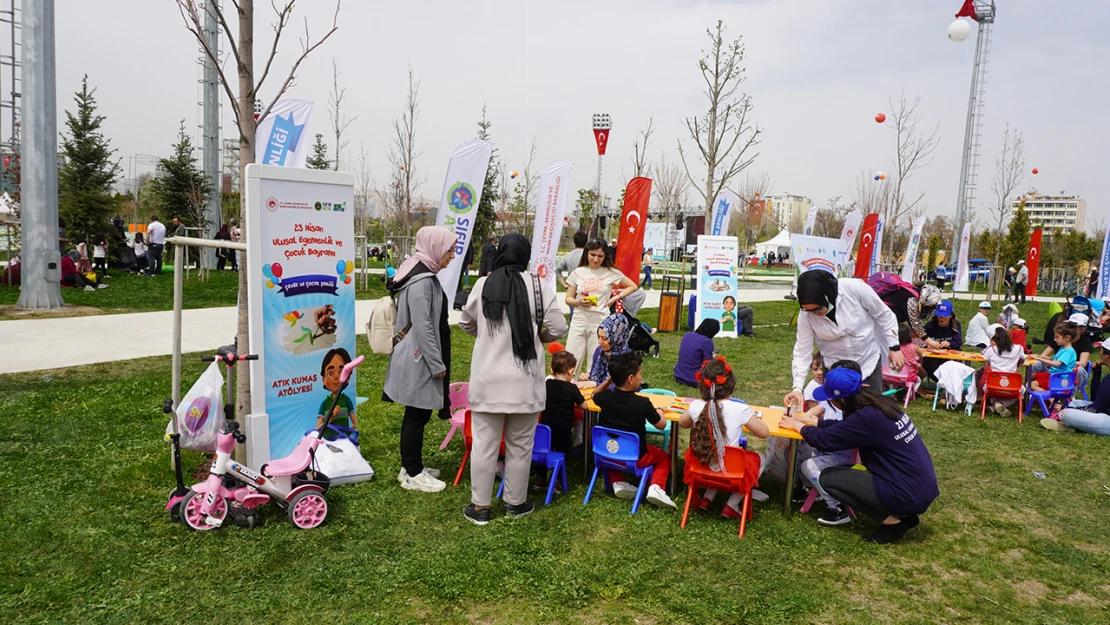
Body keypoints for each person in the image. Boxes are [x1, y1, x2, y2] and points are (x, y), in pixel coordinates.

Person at [458, 232, 568, 524]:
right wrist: (535, 338)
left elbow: (465, 322)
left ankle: (480, 508)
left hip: (487, 381)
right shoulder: (538, 285)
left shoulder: (483, 284)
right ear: (525, 256)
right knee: (520, 446)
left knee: (484, 445)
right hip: (525, 381)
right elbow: (558, 327)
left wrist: (485, 335)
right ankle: (515, 504)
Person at [780, 360, 939, 544]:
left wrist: (798, 426)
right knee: (846, 473)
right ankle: (904, 515)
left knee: (829, 478)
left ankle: (893, 522)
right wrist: (816, 423)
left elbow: (824, 440)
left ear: (841, 400)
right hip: (920, 487)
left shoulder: (865, 417)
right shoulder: (880, 405)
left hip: (907, 492)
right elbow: (846, 429)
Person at [383, 226, 458, 494]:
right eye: (449, 249)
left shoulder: (420, 272)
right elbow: (424, 326)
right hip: (419, 357)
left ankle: (411, 465)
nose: (452, 255)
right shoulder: (422, 280)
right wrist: (436, 363)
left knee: (418, 414)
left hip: (419, 355)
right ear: (435, 248)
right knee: (417, 414)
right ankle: (413, 472)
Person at [786, 270, 903, 410]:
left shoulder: (854, 288)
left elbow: (884, 315)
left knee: (872, 410)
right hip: (835, 369)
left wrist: (894, 347)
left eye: (817, 308)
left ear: (827, 295)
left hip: (867, 360)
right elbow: (802, 350)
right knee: (836, 412)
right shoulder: (806, 316)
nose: (814, 313)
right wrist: (797, 387)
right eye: (808, 310)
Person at [679, 357, 769, 518]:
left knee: (712, 454)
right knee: (761, 457)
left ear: (702, 387)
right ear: (730, 387)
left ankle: (707, 498)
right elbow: (763, 433)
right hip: (730, 471)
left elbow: (682, 422)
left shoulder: (696, 406)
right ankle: (732, 505)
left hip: (701, 469)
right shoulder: (741, 409)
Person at [591, 352, 677, 509]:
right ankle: (656, 487)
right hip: (636, 457)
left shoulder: (605, 398)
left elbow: (594, 394)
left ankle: (618, 480)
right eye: (640, 374)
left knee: (611, 447)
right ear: (631, 379)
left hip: (607, 453)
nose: (641, 378)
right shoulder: (642, 403)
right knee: (664, 457)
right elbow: (661, 425)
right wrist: (659, 411)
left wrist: (610, 379)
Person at [565, 239, 639, 377]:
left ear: (605, 256)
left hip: (600, 320)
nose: (595, 259)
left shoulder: (611, 272)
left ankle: (592, 390)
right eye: (592, 255)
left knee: (596, 361)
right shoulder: (578, 272)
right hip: (579, 318)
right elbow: (568, 299)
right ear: (587, 253)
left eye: (600, 256)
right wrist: (577, 301)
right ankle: (569, 389)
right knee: (571, 359)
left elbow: (633, 286)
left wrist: (615, 298)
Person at [1043, 343, 1110, 435]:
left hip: (1107, 420)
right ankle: (1075, 424)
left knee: (1066, 413)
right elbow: (1095, 399)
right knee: (1075, 403)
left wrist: (1066, 408)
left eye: (1101, 350)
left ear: (1107, 355)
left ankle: (1069, 424)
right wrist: (1097, 374)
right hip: (1105, 412)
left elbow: (1095, 408)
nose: (1100, 353)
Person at [545, 350, 587, 459]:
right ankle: (560, 474)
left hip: (546, 426)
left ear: (552, 370)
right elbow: (584, 406)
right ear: (571, 371)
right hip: (563, 428)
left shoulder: (547, 384)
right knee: (563, 452)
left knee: (546, 448)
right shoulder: (572, 388)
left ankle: (541, 474)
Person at [978, 326, 1025, 417]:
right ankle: (1001, 404)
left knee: (987, 388)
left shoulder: (991, 350)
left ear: (994, 339)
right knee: (1022, 391)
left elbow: (985, 368)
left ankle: (995, 403)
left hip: (993, 385)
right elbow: (1022, 360)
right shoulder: (1019, 348)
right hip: (1012, 386)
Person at [1030, 320, 1079, 402]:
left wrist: (1039, 359)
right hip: (1055, 376)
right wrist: (1038, 356)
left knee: (1031, 384)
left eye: (1057, 337)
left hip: (1058, 379)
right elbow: (1054, 358)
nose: (1055, 340)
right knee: (1031, 376)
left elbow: (1057, 364)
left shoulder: (1068, 351)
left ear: (1067, 338)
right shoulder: (1063, 348)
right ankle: (1038, 397)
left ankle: (1051, 397)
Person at [877, 283, 942, 341]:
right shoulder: (911, 299)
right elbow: (914, 322)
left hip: (884, 322)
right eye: (929, 304)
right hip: (879, 321)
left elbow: (916, 322)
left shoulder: (913, 294)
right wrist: (929, 341)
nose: (929, 306)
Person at [584, 313, 632, 390]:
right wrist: (587, 376)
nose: (599, 342)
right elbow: (594, 373)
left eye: (604, 338)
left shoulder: (628, 358)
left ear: (617, 337)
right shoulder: (599, 351)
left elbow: (621, 387)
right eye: (599, 337)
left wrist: (595, 384)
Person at [315, 348, 357, 436]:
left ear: (348, 378)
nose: (336, 377)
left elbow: (355, 423)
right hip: (328, 443)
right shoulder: (325, 404)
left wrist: (347, 433)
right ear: (324, 380)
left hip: (344, 441)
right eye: (330, 374)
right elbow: (318, 429)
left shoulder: (346, 400)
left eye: (341, 373)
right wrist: (329, 419)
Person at [920, 301, 963, 382]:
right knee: (928, 362)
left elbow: (958, 342)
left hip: (950, 354)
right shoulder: (930, 325)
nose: (941, 319)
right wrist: (927, 345)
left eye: (944, 316)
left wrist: (949, 343)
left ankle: (956, 380)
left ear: (951, 316)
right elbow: (921, 340)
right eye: (939, 316)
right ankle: (944, 381)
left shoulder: (956, 325)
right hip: (933, 356)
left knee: (960, 359)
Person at [674, 319, 718, 387]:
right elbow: (708, 363)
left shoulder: (687, 335)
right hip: (694, 379)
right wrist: (713, 358)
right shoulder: (707, 342)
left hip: (678, 375)